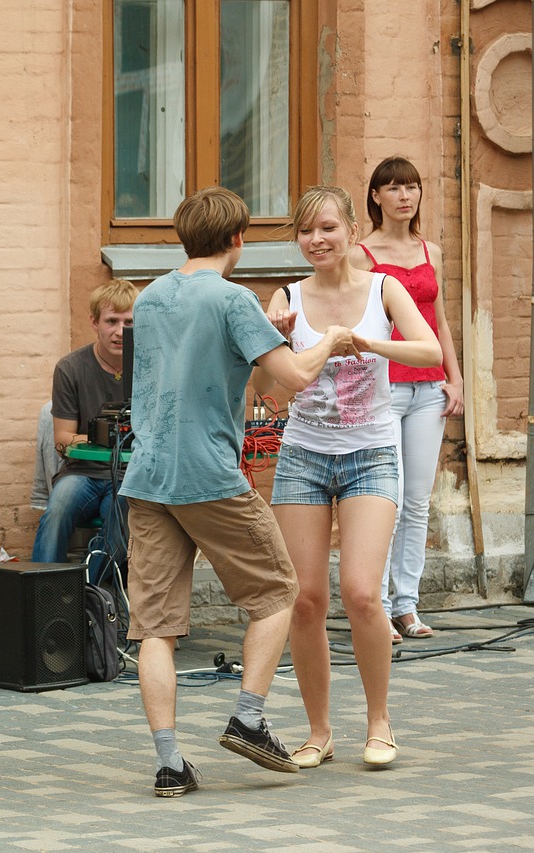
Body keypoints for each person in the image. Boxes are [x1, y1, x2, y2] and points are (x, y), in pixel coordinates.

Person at [122, 186, 361, 798]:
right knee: (279, 593)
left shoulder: (149, 298)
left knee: (156, 629)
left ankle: (170, 764)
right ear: (237, 238)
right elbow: (295, 379)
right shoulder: (234, 299)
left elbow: (243, 380)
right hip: (208, 476)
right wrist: (331, 339)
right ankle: (249, 719)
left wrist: (265, 338)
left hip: (148, 475)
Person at [254, 186, 441, 770]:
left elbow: (430, 351)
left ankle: (379, 722)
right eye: (307, 231)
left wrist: (367, 342)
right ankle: (319, 731)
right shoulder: (286, 297)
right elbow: (261, 388)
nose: (317, 240)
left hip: (371, 454)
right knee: (306, 600)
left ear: (352, 231)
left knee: (361, 593)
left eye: (328, 228)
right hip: (304, 457)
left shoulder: (383, 290)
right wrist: (273, 337)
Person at [352, 156, 464, 642]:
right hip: (384, 389)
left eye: (412, 187)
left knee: (417, 501)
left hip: (429, 389)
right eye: (394, 188)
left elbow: (440, 323)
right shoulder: (361, 255)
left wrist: (455, 379)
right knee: (386, 501)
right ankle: (374, 606)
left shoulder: (430, 251)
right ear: (376, 197)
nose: (405, 196)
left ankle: (406, 606)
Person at [29, 280, 137, 567]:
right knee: (57, 512)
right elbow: (63, 438)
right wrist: (114, 439)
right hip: (82, 472)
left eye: (128, 322)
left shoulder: (148, 368)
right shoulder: (71, 368)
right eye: (111, 321)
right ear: (94, 322)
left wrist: (92, 438)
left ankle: (92, 588)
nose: (120, 331)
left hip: (129, 475)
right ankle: (42, 589)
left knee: (122, 520)